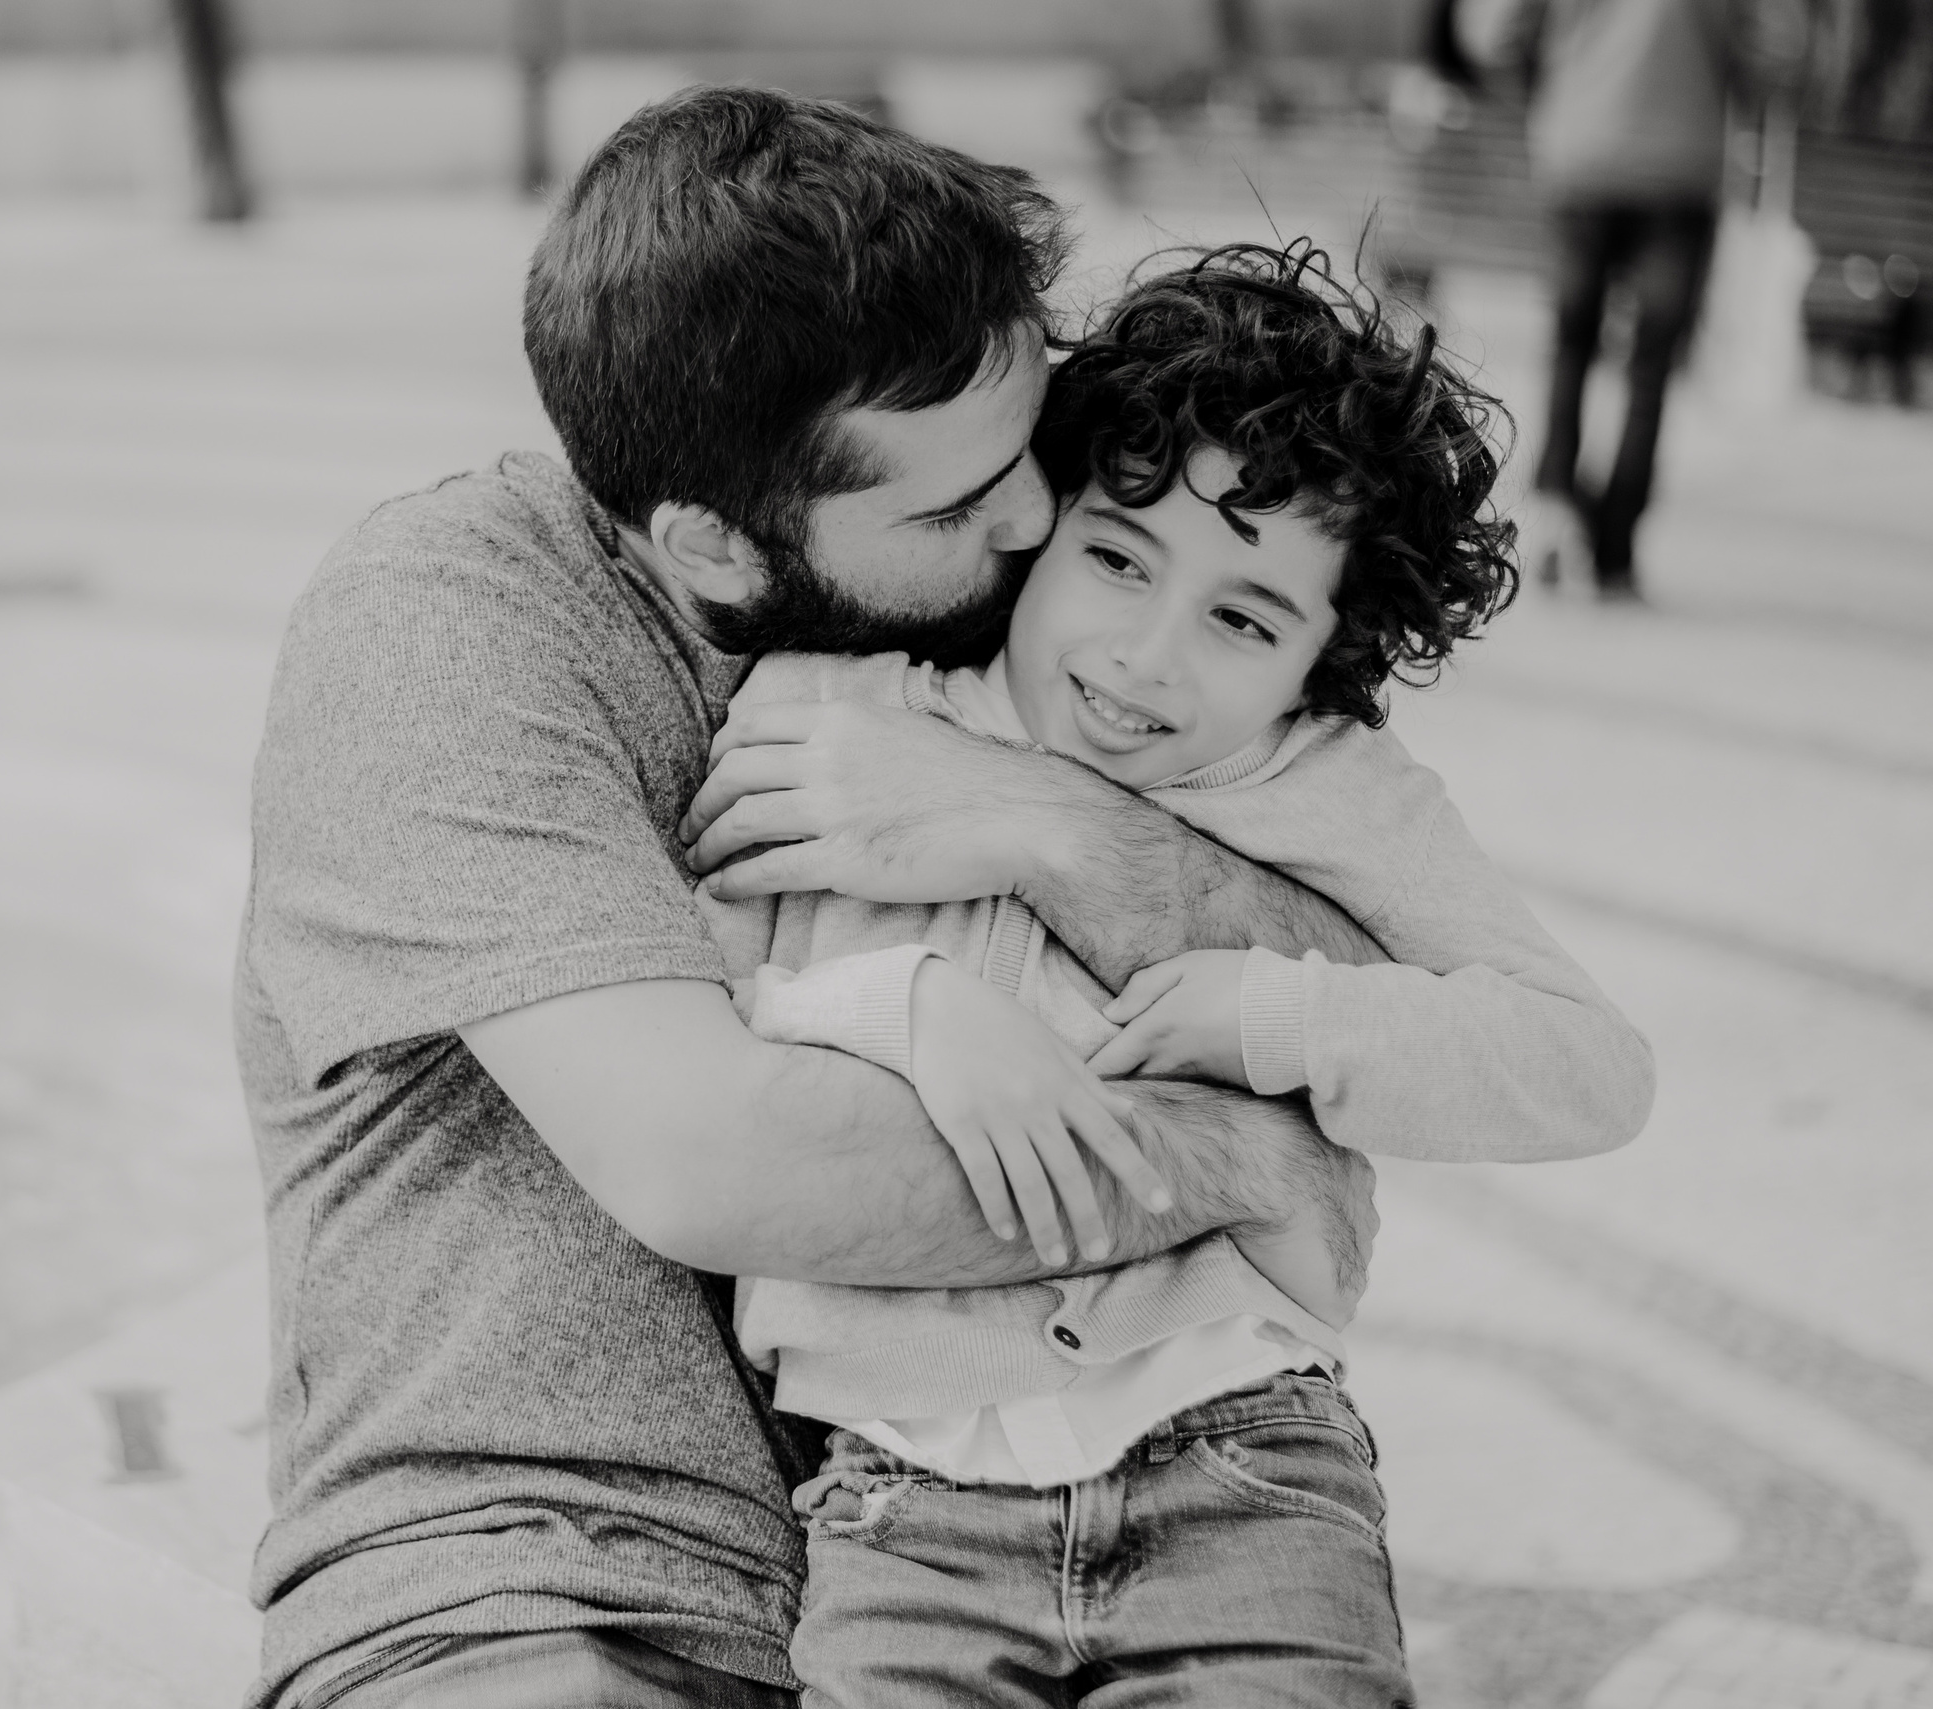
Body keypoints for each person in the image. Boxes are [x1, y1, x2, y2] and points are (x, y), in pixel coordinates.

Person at [235, 89, 1388, 1709]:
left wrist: (1043, 821)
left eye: (1024, 444)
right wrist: (1241, 1154)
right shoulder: (447, 619)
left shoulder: (1009, 610)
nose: (1038, 517)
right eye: (948, 503)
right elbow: (718, 1156)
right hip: (526, 1574)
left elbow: (1370, 1003)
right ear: (713, 539)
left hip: (951, 1549)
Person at [692, 242, 1657, 1706]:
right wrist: (907, 1009)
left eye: (1244, 619)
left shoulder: (1331, 788)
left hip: (1242, 1458)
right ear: (1046, 516)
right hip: (900, 1509)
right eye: (1117, 557)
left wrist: (1279, 1010)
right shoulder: (831, 713)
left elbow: (1588, 1067)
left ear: (1330, 653)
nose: (1145, 657)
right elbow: (692, 1016)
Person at [1501, 0, 1805, 598]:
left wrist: (1551, 82)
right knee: (1651, 368)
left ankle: (1557, 510)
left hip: (1578, 152)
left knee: (1571, 348)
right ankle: (1616, 551)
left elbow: (1496, 30)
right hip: (1680, 166)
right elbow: (1780, 47)